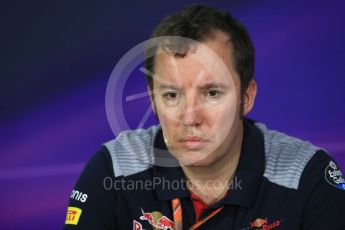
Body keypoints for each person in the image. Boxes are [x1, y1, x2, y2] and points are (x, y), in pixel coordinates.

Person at [63, 4, 345, 230]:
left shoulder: (307, 176)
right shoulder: (114, 168)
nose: (190, 117)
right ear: (153, 101)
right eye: (172, 95)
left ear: (246, 97)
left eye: (211, 93)